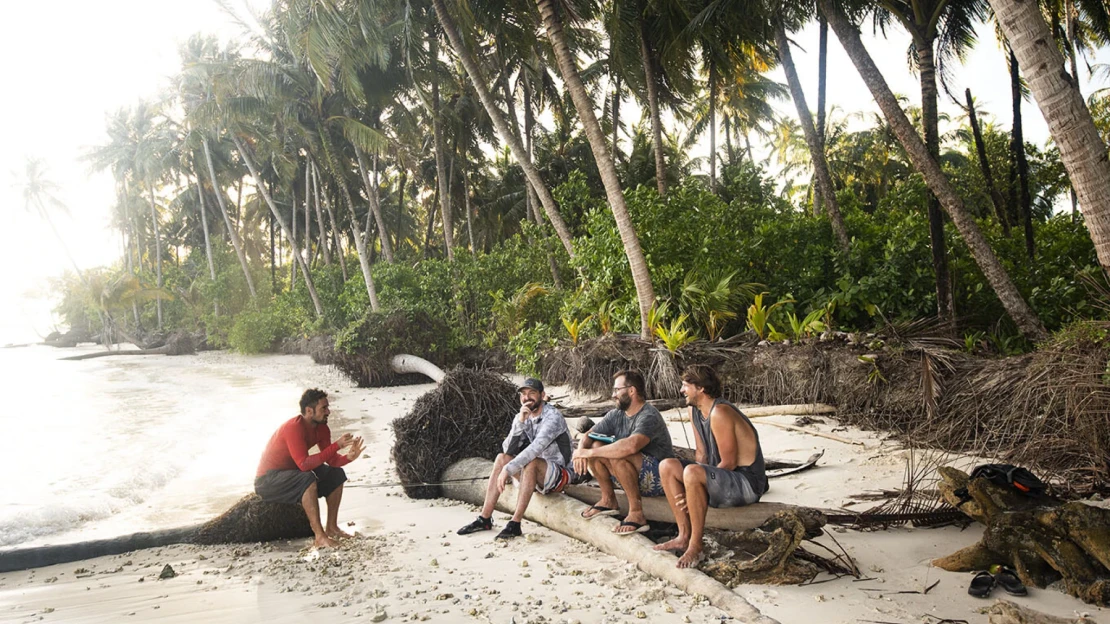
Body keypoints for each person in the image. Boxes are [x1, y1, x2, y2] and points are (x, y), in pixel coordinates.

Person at [655, 364, 768, 567]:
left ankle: (696, 546)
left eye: (685, 386)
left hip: (747, 483)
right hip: (721, 476)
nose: (682, 391)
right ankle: (683, 535)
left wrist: (700, 490)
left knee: (692, 472)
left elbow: (730, 462)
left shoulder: (720, 412)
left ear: (701, 388)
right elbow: (702, 454)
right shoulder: (694, 410)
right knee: (667, 466)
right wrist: (694, 486)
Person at [457, 378, 573, 539]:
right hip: (536, 474)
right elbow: (508, 450)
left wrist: (509, 470)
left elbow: (535, 449)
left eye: (532, 393)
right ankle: (484, 518)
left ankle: (515, 523)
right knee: (501, 458)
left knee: (530, 462)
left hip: (560, 474)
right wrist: (520, 422)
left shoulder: (553, 417)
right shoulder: (523, 415)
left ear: (542, 395)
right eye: (523, 394)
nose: (527, 398)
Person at [255, 388, 365, 549]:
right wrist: (336, 445)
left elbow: (332, 461)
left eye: (328, 407)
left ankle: (332, 528)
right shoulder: (293, 428)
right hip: (268, 480)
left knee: (336, 474)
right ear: (308, 411)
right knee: (307, 477)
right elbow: (304, 464)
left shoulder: (322, 428)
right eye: (324, 408)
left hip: (291, 472)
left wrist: (348, 458)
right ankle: (320, 536)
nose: (329, 411)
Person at [573, 370, 674, 535]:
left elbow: (631, 446)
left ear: (631, 391)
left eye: (616, 390)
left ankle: (637, 513)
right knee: (596, 443)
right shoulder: (616, 414)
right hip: (628, 476)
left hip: (660, 478)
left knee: (620, 452)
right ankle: (608, 500)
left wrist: (588, 454)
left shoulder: (649, 415)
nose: (613, 395)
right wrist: (580, 451)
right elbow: (589, 435)